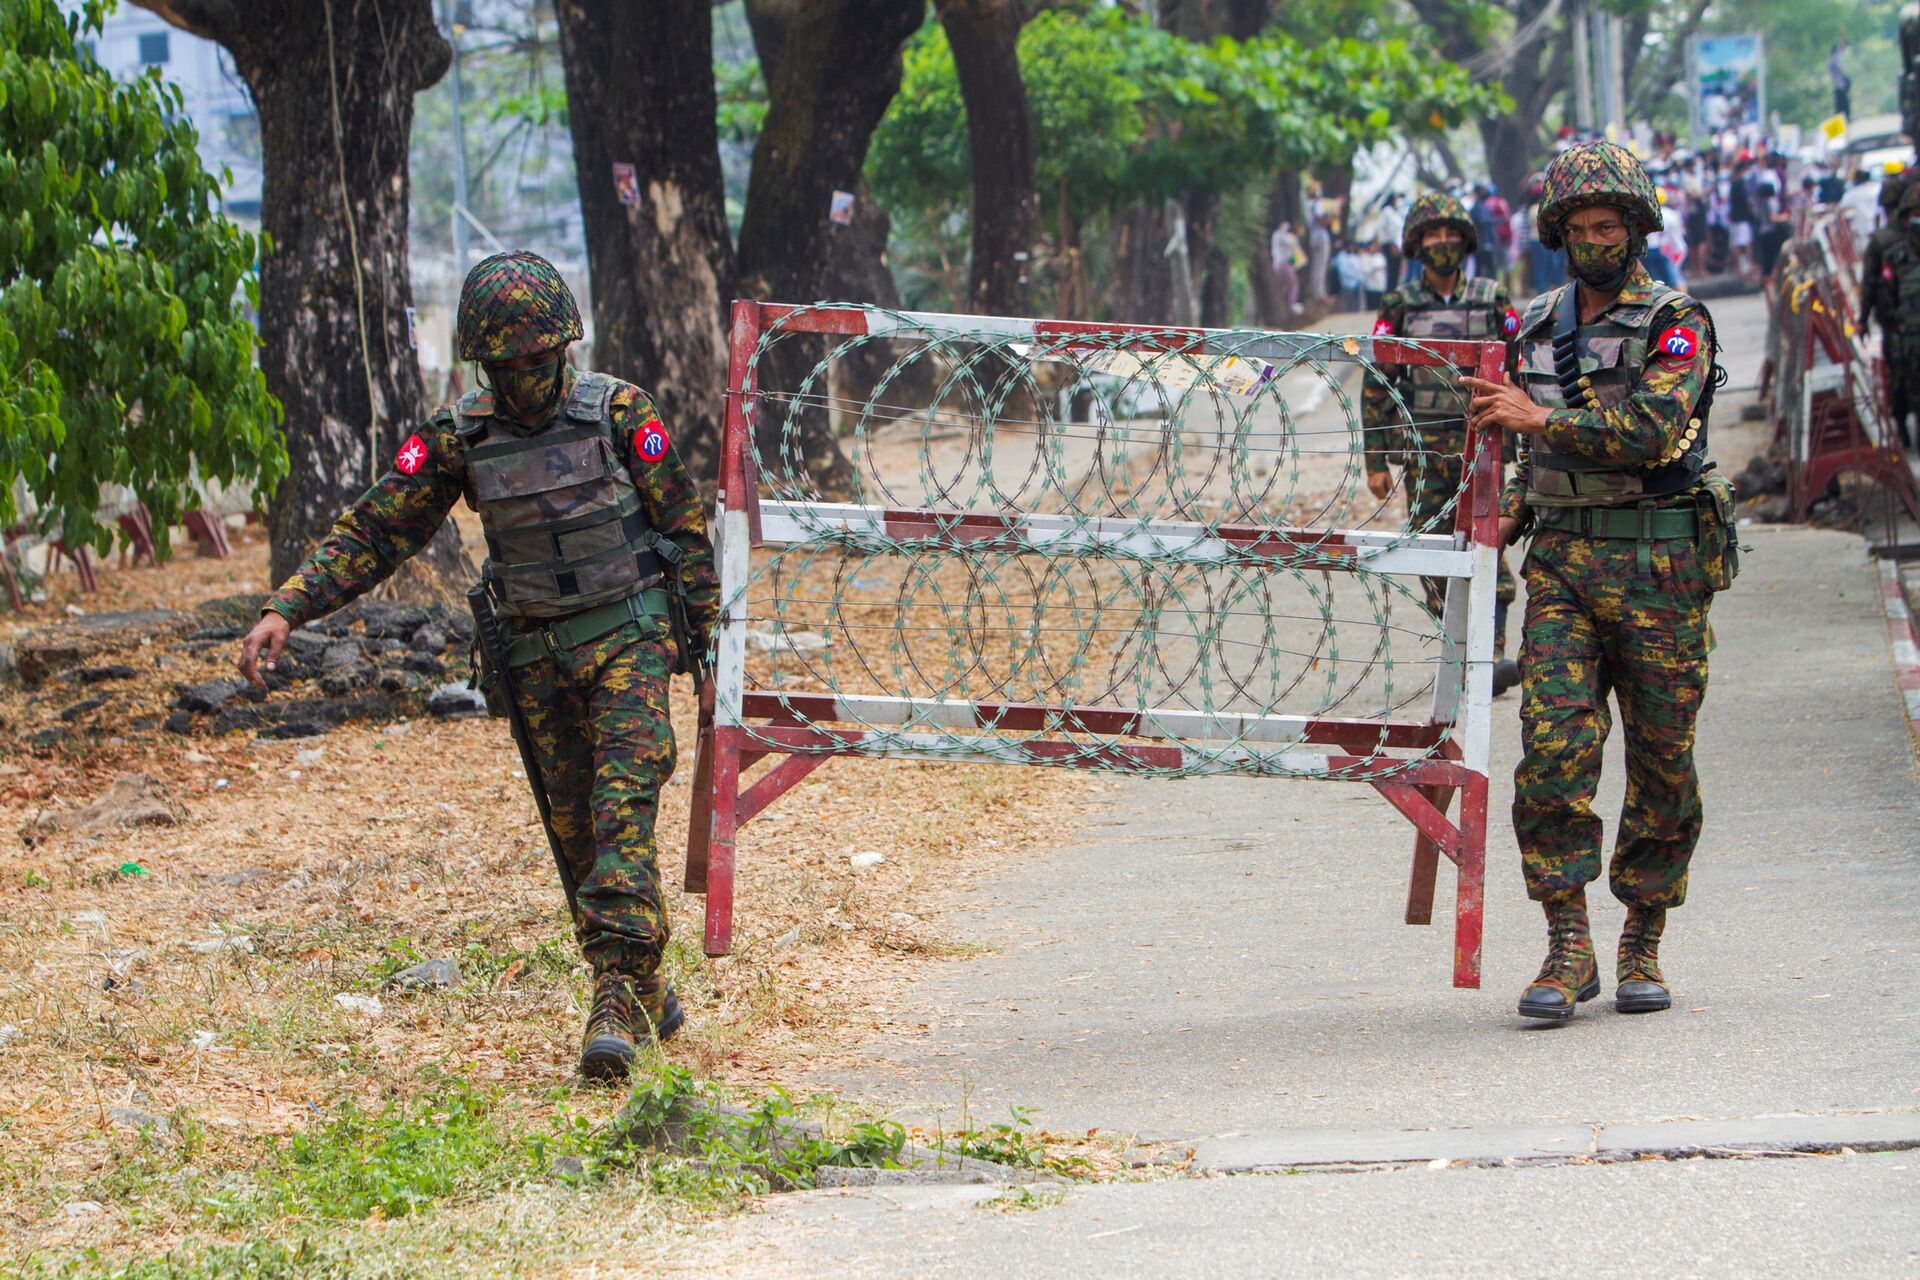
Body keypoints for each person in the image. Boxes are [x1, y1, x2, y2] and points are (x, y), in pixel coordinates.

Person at [236, 251, 719, 1080]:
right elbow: (377, 530)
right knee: (575, 836)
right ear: (485, 362)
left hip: (629, 644)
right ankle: (643, 982)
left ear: (565, 346)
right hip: (535, 657)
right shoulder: (460, 436)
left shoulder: (619, 414)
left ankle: (613, 995)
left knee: (621, 811)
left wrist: (706, 650)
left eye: (542, 359)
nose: (530, 377)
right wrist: (290, 606)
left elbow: (684, 531)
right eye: (511, 364)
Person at [1461, 141, 1732, 1022]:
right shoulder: (1534, 326)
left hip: (1659, 566)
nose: (1594, 239)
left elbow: (1654, 429)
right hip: (1566, 567)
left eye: (1608, 225)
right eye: (1578, 227)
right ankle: (1567, 948)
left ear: (1638, 227)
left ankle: (1643, 941)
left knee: (1662, 765)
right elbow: (1499, 441)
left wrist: (1541, 416)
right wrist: (1497, 519)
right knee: (1554, 758)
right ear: (1556, 234)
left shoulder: (1675, 321)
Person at [1361, 192, 1521, 694]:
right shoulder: (1399, 306)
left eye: (1452, 234)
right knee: (1432, 551)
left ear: (1467, 241)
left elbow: (1520, 367)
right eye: (1433, 235)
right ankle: (1458, 651)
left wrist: (1525, 439)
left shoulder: (1493, 297)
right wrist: (1375, 457)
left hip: (1484, 442)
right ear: (1416, 244)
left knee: (1488, 544)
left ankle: (1490, 654)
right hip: (1425, 450)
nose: (1443, 243)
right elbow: (1378, 381)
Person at [1874, 183, 1920, 448]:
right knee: (1903, 387)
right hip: (1904, 334)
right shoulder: (1893, 251)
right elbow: (1883, 292)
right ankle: (1902, 429)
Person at [1269, 220, 1304, 319]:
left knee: (1284, 287)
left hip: (1278, 264)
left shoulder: (1277, 235)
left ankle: (1285, 308)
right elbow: (1291, 243)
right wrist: (1295, 235)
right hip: (1283, 264)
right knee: (1293, 284)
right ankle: (1291, 306)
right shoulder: (1281, 235)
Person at [1377, 194, 1407, 291]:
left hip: (1398, 245)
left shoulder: (1397, 213)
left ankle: (1394, 294)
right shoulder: (1387, 211)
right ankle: (1389, 295)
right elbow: (1382, 228)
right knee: (1391, 271)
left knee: (1396, 273)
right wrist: (1391, 243)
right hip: (1390, 245)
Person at [1831, 39, 1852, 119]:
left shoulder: (1837, 57)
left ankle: (1844, 119)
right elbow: (1839, 70)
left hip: (1840, 84)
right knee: (1842, 105)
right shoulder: (1835, 57)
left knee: (1842, 105)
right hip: (1839, 85)